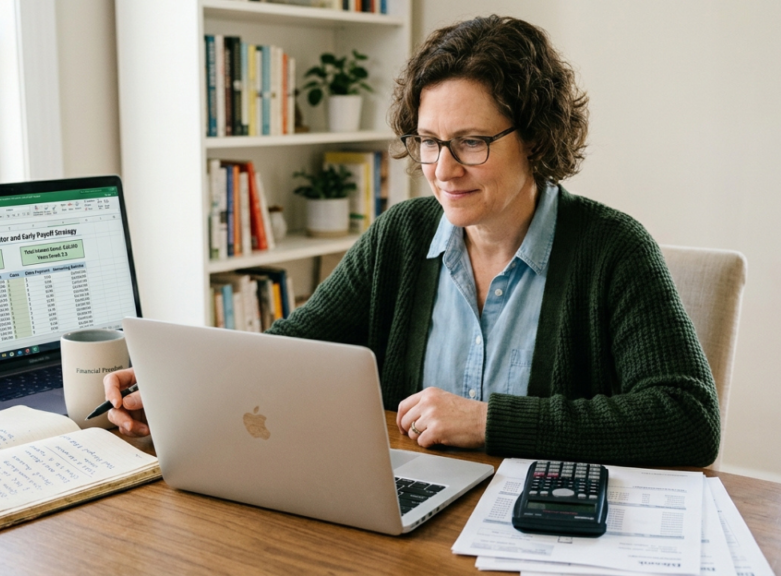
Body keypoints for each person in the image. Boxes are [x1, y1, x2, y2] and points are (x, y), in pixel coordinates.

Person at [105, 15, 721, 467]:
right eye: (428, 141)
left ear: (535, 137)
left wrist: (487, 422)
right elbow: (289, 354)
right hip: (411, 516)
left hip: (543, 529)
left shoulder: (613, 249)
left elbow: (687, 420)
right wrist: (175, 393)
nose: (443, 170)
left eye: (471, 142)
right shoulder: (399, 237)